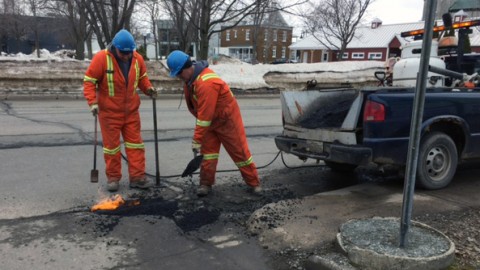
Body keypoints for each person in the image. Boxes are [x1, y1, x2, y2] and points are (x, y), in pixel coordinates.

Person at [166, 50, 262, 197]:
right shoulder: (190, 81)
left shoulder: (206, 83)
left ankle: (254, 183)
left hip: (226, 120)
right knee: (208, 154)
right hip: (210, 122)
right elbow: (199, 112)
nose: (178, 77)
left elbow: (204, 116)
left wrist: (197, 139)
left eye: (179, 73)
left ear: (187, 68)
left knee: (240, 153)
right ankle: (205, 183)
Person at [83, 29, 157, 192]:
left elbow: (142, 78)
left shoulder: (137, 59)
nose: (126, 56)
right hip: (109, 114)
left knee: (135, 145)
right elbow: (89, 82)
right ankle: (114, 178)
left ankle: (137, 177)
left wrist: (148, 89)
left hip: (131, 112)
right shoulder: (102, 58)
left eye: (129, 52)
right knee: (112, 147)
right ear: (115, 48)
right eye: (123, 53)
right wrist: (92, 102)